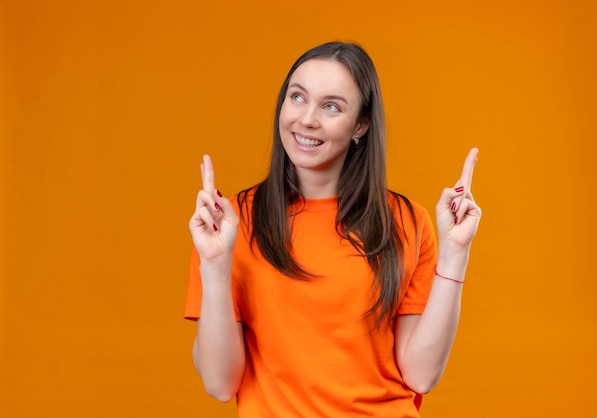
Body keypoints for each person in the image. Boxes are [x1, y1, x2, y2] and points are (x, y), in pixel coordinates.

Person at [184, 41, 481, 417]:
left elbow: (421, 375)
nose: (307, 119)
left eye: (331, 106)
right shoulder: (228, 224)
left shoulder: (407, 222)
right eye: (297, 97)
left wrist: (455, 256)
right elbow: (219, 382)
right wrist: (214, 266)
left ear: (361, 123)